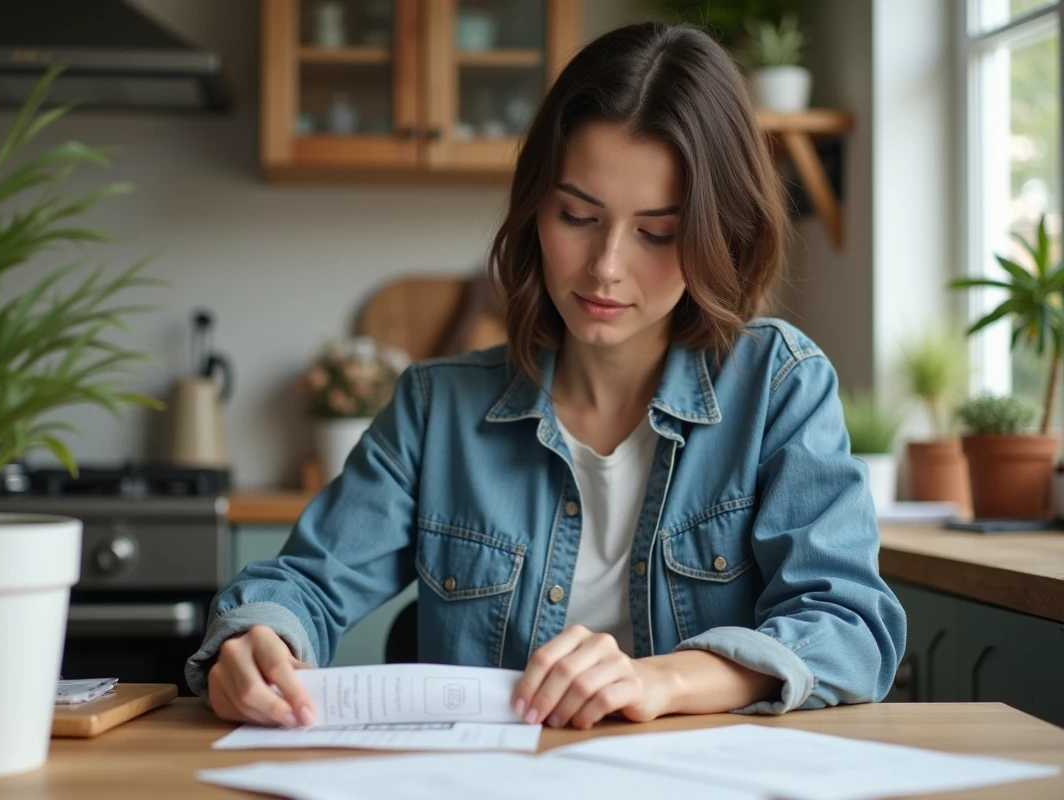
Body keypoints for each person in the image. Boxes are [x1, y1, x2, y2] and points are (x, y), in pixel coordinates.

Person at [186, 20, 906, 731]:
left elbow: (849, 629)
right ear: (535, 208)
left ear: (718, 230)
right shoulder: (436, 408)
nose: (606, 267)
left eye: (657, 232)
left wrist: (662, 679)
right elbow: (304, 584)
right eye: (577, 215)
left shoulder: (779, 386)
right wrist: (260, 642)